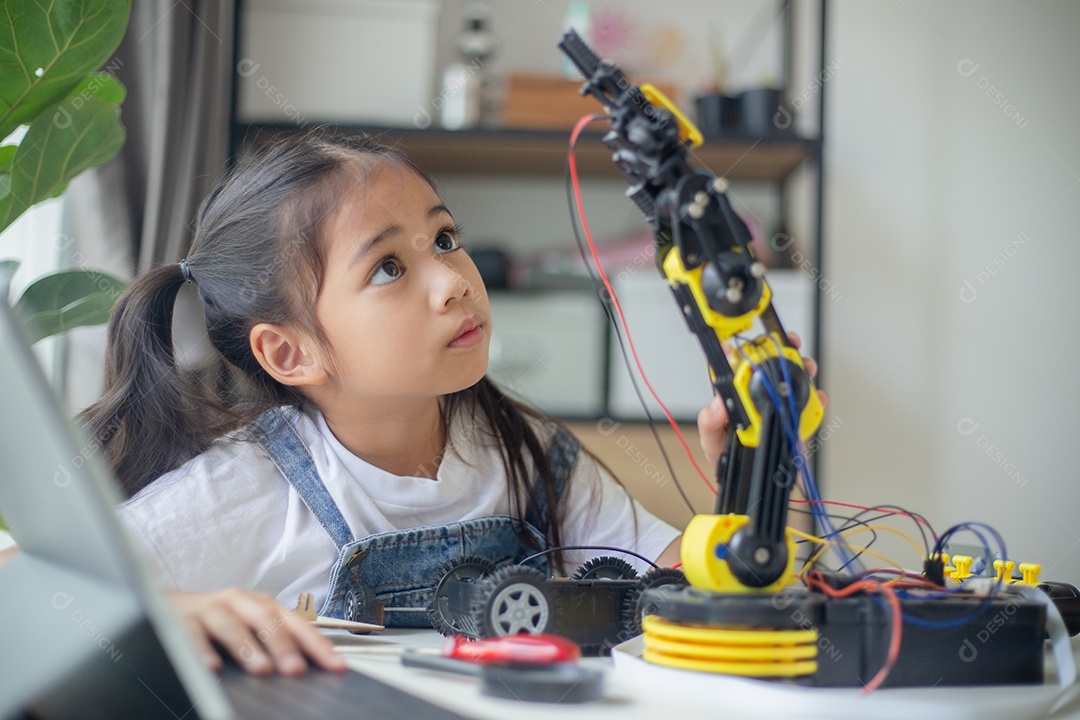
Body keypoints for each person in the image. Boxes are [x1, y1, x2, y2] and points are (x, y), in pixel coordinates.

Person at [79, 131, 819, 677]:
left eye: (445, 237)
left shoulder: (525, 452)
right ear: (290, 352)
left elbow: (713, 603)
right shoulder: (243, 490)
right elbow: (27, 586)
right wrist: (168, 611)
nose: (454, 280)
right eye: (390, 267)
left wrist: (757, 479)